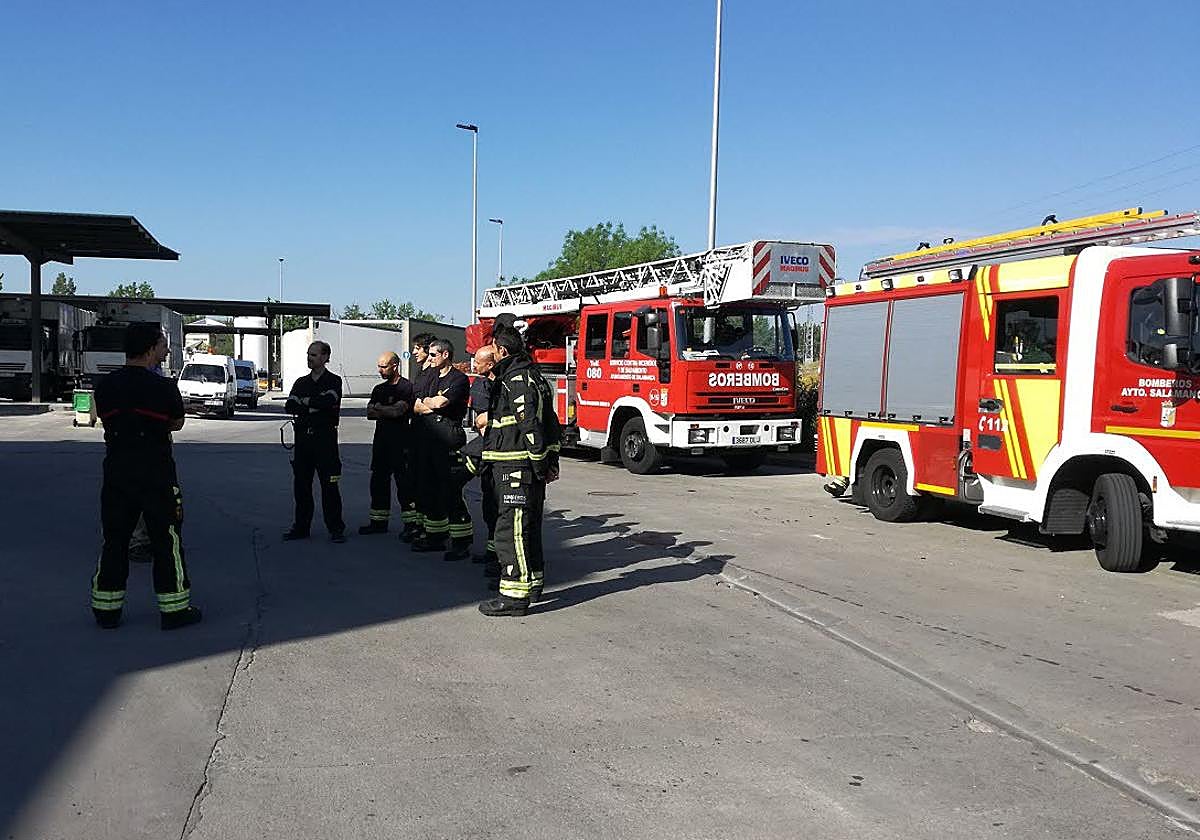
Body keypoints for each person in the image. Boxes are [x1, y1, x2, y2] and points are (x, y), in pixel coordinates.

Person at [90, 323, 201, 630]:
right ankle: (174, 609)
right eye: (163, 345)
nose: (166, 350)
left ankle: (106, 610)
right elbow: (176, 423)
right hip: (156, 475)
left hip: (117, 474)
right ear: (151, 349)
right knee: (167, 540)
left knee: (114, 540)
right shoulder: (164, 388)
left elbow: (101, 418)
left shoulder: (106, 385)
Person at [477, 328, 562, 617]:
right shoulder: (535, 377)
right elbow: (552, 423)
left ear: (501, 350)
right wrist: (550, 462)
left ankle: (513, 595)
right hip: (524, 466)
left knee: (510, 530)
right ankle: (533, 582)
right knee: (529, 528)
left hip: (514, 465)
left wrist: (540, 463)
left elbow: (530, 426)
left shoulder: (515, 379)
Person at [410, 338, 471, 558]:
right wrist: (430, 402)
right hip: (428, 439)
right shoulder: (430, 377)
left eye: (434, 355)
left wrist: (431, 403)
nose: (430, 358)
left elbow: (441, 404)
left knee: (450, 490)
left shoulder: (459, 379)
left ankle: (461, 541)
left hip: (447, 438)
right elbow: (416, 404)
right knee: (429, 489)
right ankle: (435, 536)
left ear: (446, 355)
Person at [283, 341, 346, 543]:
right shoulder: (301, 382)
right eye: (308, 354)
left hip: (325, 440)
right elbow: (290, 405)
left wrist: (306, 402)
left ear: (325, 357)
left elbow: (328, 402)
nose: (309, 358)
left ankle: (336, 528)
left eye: (314, 355)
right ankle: (301, 527)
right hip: (303, 441)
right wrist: (312, 405)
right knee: (301, 486)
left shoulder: (333, 381)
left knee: (330, 486)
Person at [360, 351, 415, 535]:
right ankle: (378, 522)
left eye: (384, 366)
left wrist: (381, 409)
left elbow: (398, 412)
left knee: (404, 484)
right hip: (381, 442)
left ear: (395, 366)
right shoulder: (379, 389)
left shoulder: (406, 387)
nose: (380, 370)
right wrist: (386, 410)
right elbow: (369, 413)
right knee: (378, 482)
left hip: (401, 442)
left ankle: (410, 524)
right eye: (379, 366)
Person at [400, 332, 438, 543]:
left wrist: (415, 406)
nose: (414, 352)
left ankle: (428, 529)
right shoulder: (421, 372)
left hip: (428, 434)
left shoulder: (432, 374)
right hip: (416, 432)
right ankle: (416, 524)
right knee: (413, 481)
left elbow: (427, 403)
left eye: (417, 349)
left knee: (426, 484)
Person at [468, 346, 499, 573]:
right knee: (489, 503)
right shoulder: (480, 384)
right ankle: (492, 551)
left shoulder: (500, 384)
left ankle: (499, 555)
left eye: (478, 362)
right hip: (486, 448)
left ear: (490, 364)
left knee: (499, 506)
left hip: (499, 451)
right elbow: (479, 420)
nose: (473, 365)